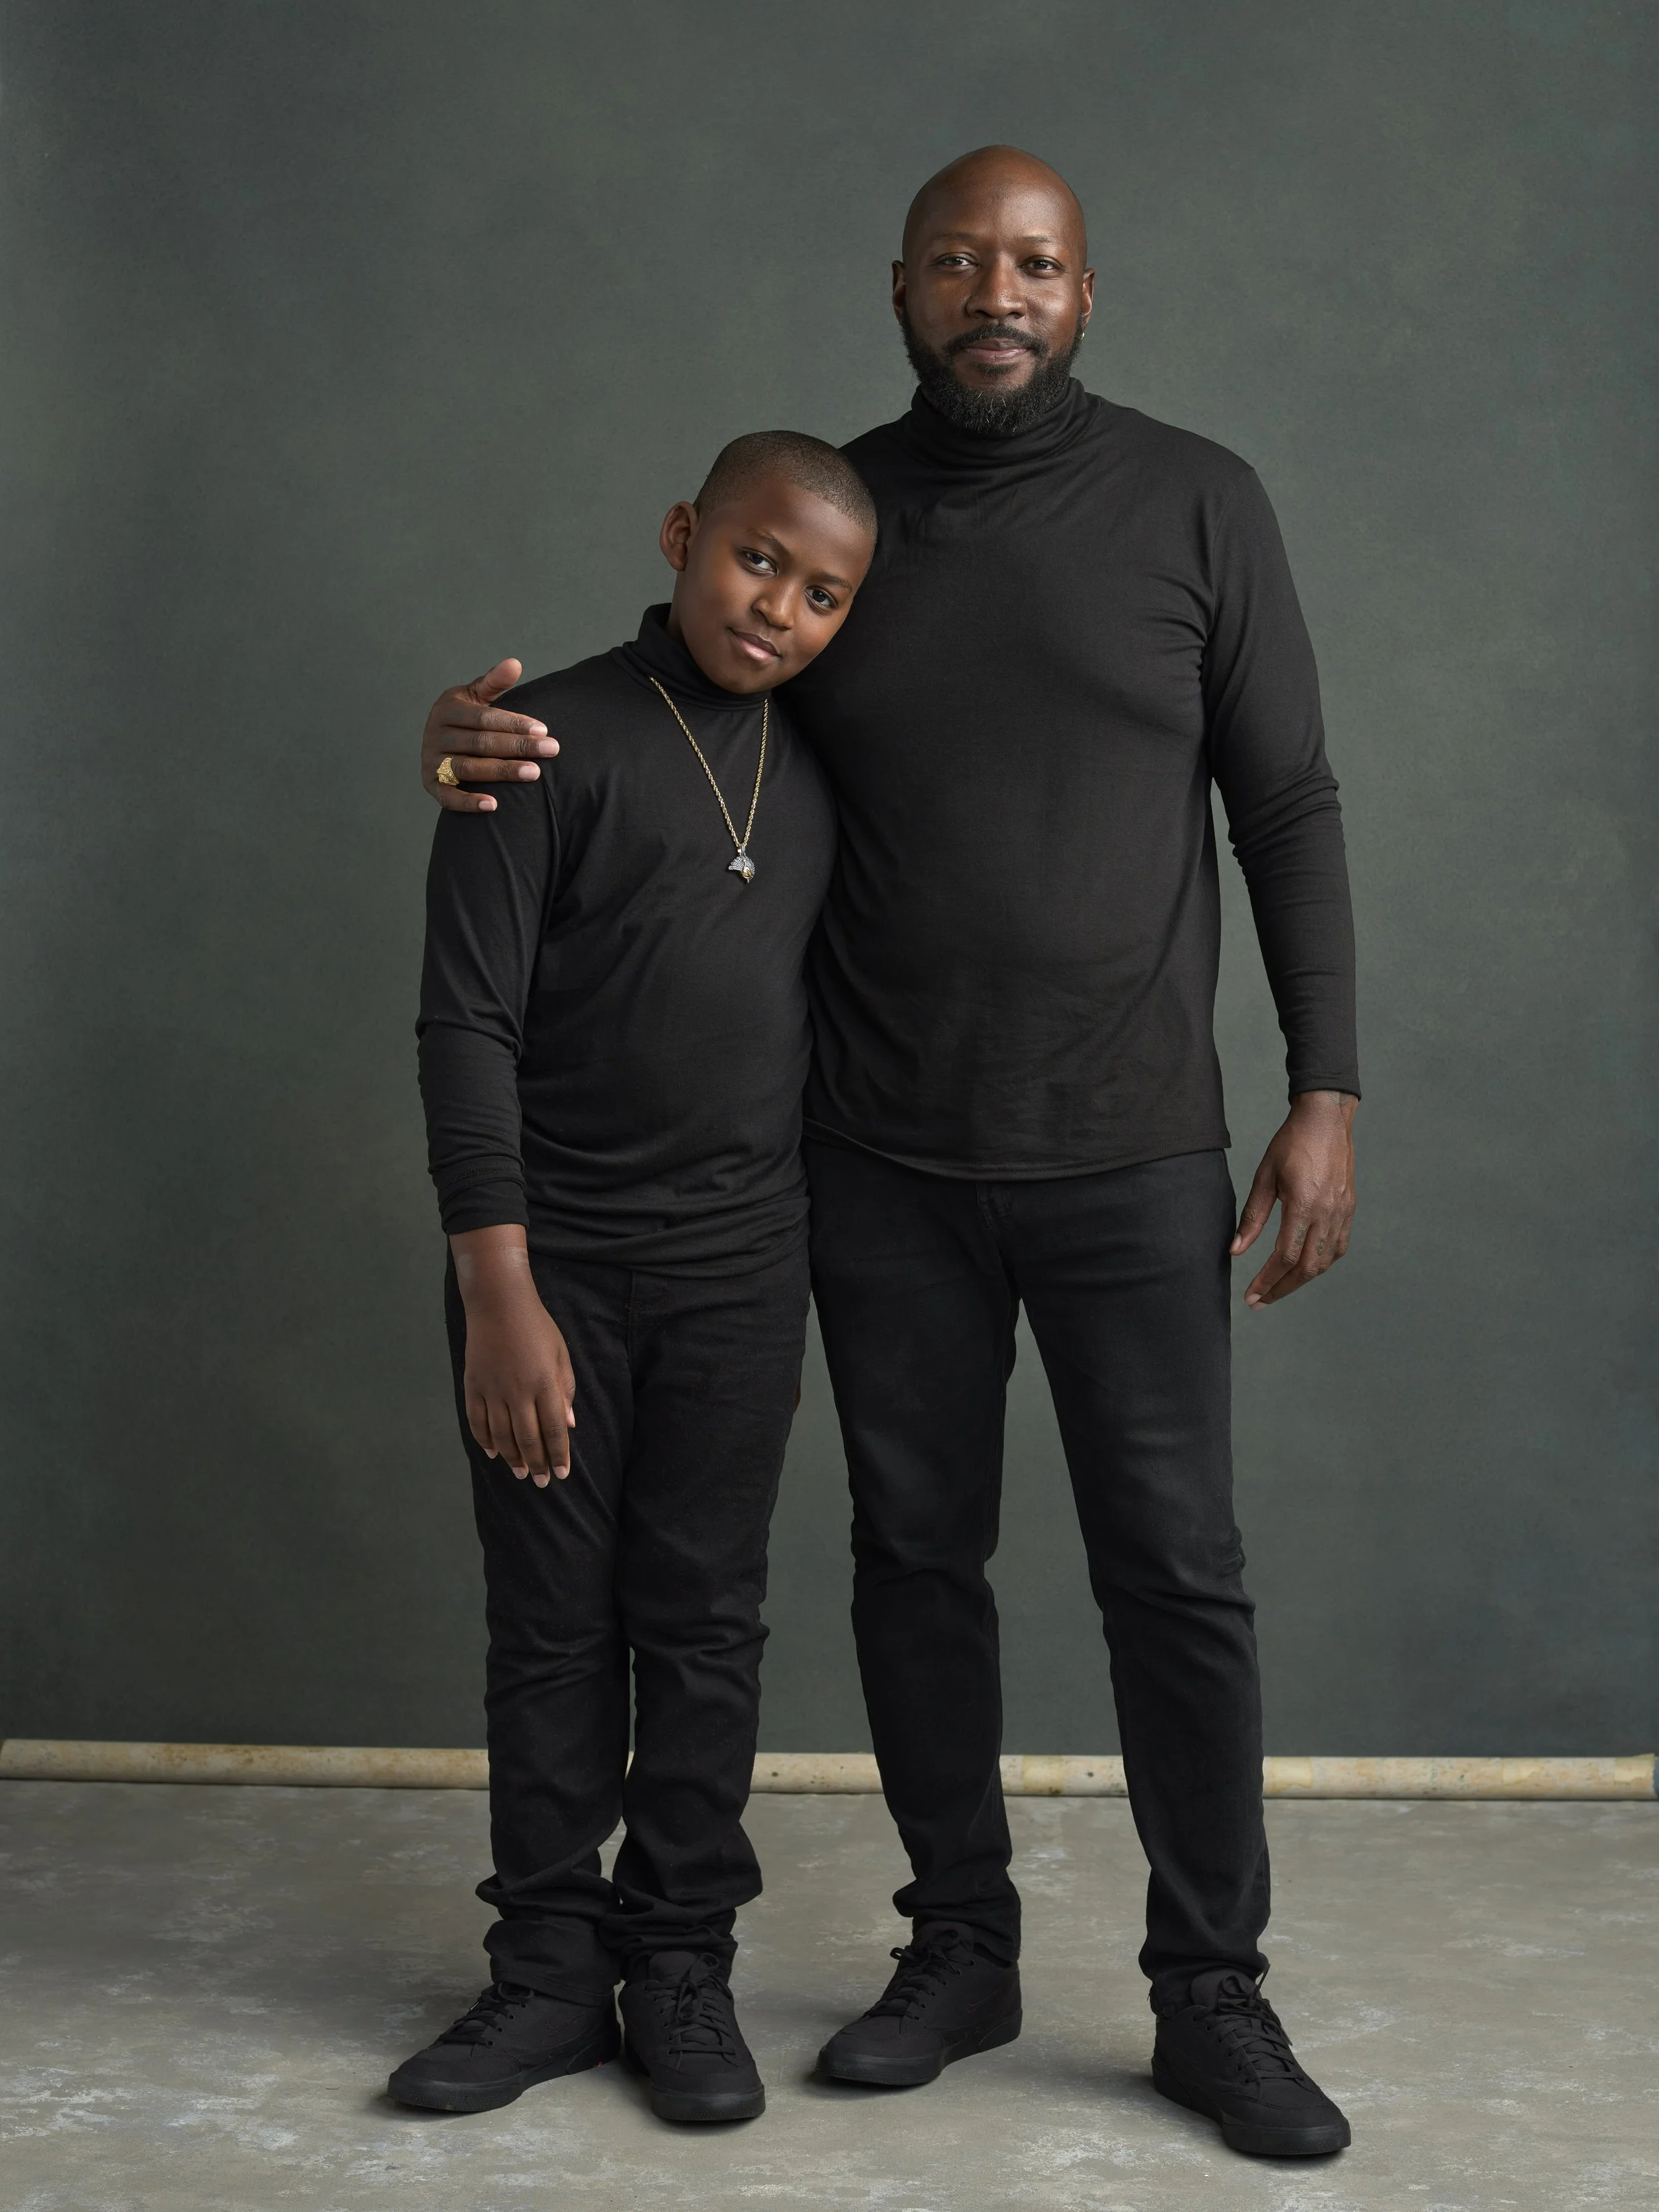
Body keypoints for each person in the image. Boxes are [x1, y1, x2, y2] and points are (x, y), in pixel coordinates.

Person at [417, 147, 1359, 2162]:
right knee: (914, 1557)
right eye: (954, 260)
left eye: (1032, 263)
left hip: (1129, 1146)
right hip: (875, 1158)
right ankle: (960, 1941)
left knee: (1175, 1569)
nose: (991, 292)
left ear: (1085, 292)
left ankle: (1211, 1990)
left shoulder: (1200, 500)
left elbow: (1283, 800)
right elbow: (685, 705)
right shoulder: (835, 522)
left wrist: (1325, 1087)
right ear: (902, 289)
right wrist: (483, 741)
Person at [390, 431, 876, 2125]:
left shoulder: (834, 757)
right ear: (682, 534)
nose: (779, 608)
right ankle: (542, 1969)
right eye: (756, 560)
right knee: (550, 1623)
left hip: (743, 1269)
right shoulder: (539, 741)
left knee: (703, 1617)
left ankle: (677, 1962)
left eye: (823, 595)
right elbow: (464, 1022)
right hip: (553, 1272)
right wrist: (497, 1287)